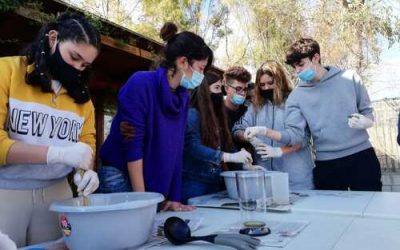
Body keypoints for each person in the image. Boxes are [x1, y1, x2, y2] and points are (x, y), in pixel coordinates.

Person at [0, 13, 101, 247]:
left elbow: (87, 145)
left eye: (84, 65)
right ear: (53, 38)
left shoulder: (83, 99)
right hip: (6, 189)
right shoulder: (7, 71)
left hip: (58, 194)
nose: (77, 68)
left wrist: (86, 173)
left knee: (61, 245)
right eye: (74, 57)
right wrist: (56, 154)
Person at [98, 22, 213, 211]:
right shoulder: (141, 83)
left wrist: (175, 198)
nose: (202, 76)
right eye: (200, 68)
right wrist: (143, 201)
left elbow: (177, 149)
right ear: (183, 62)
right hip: (119, 175)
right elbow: (132, 143)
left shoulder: (182, 97)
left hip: (147, 181)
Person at [245, 38, 381, 191]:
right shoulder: (297, 96)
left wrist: (367, 122)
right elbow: (296, 135)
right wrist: (265, 132)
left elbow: (368, 112)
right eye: (294, 67)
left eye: (300, 64)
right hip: (327, 164)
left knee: (370, 209)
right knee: (331, 214)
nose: (297, 71)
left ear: (315, 58)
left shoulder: (350, 78)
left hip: (362, 157)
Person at [233, 61, 314, 190]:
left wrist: (278, 151)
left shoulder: (293, 101)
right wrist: (248, 137)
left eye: (270, 83)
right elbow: (237, 129)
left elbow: (302, 138)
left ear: (280, 81)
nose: (266, 88)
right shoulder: (256, 106)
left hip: (295, 178)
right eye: (262, 85)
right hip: (265, 178)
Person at [181, 72, 253, 203]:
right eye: (217, 88)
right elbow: (192, 146)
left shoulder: (217, 116)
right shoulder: (192, 114)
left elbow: (226, 145)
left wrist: (244, 164)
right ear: (204, 90)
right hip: (195, 182)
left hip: (215, 180)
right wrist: (225, 156)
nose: (220, 94)